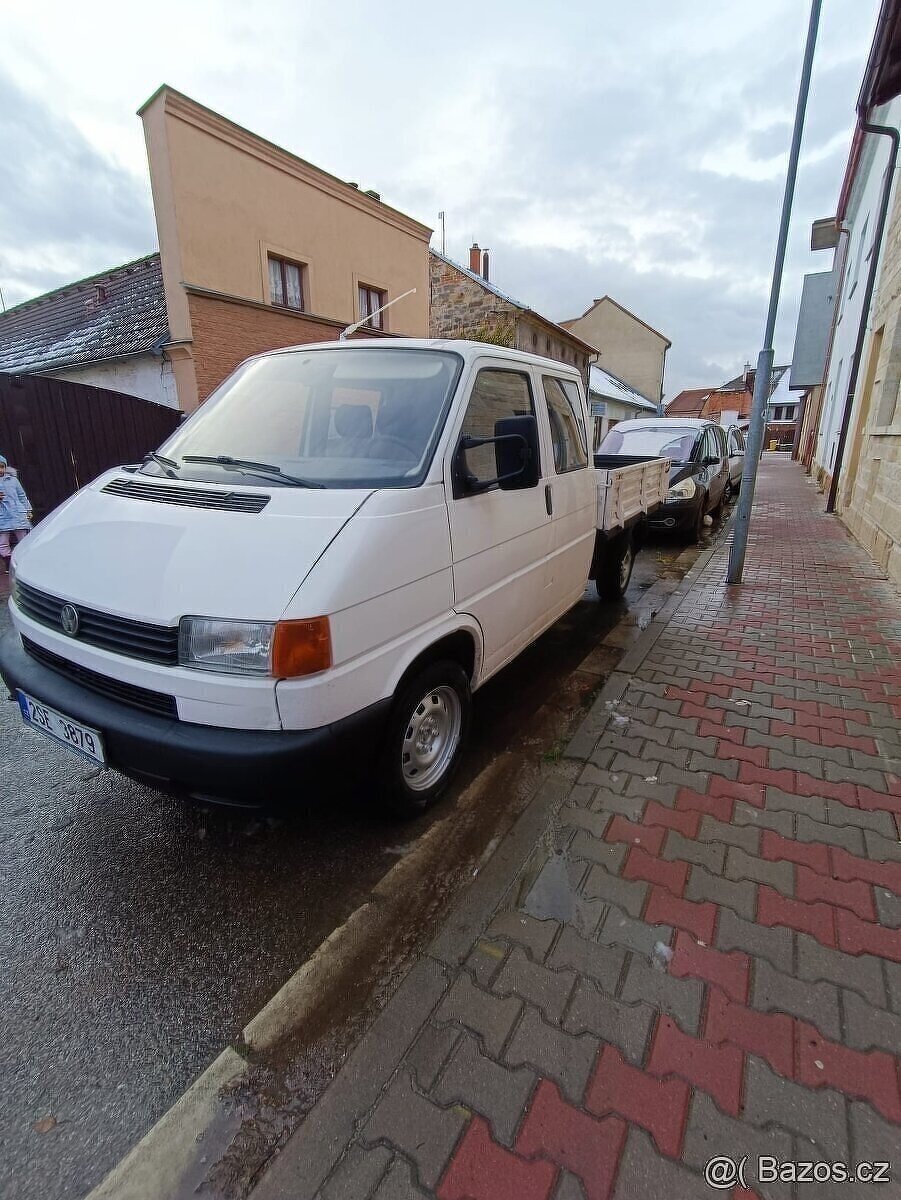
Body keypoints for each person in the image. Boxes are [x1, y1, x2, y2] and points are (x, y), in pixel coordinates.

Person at [0, 455, 32, 573]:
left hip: (17, 514)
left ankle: (25, 559)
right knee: (3, 542)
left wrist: (28, 510)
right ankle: (8, 563)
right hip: (2, 517)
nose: (0, 470)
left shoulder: (13, 480)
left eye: (2, 467)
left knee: (23, 539)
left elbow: (22, 495)